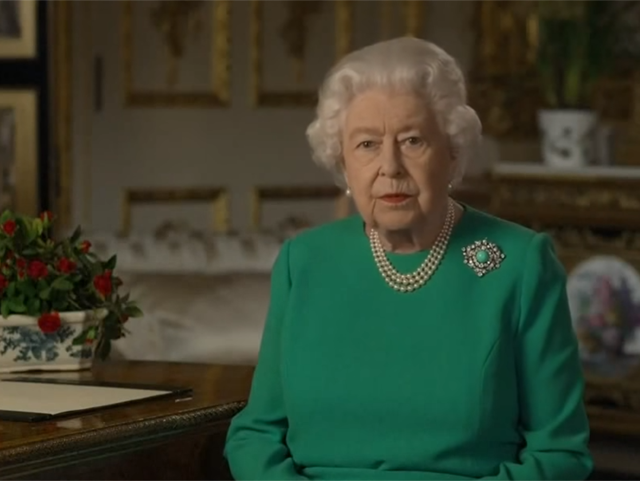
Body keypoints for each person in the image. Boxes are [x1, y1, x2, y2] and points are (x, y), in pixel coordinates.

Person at [224, 37, 593, 481]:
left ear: (452, 152)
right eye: (367, 145)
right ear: (342, 162)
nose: (391, 166)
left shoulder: (519, 264)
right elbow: (254, 434)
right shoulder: (303, 262)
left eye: (413, 140)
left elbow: (561, 453)